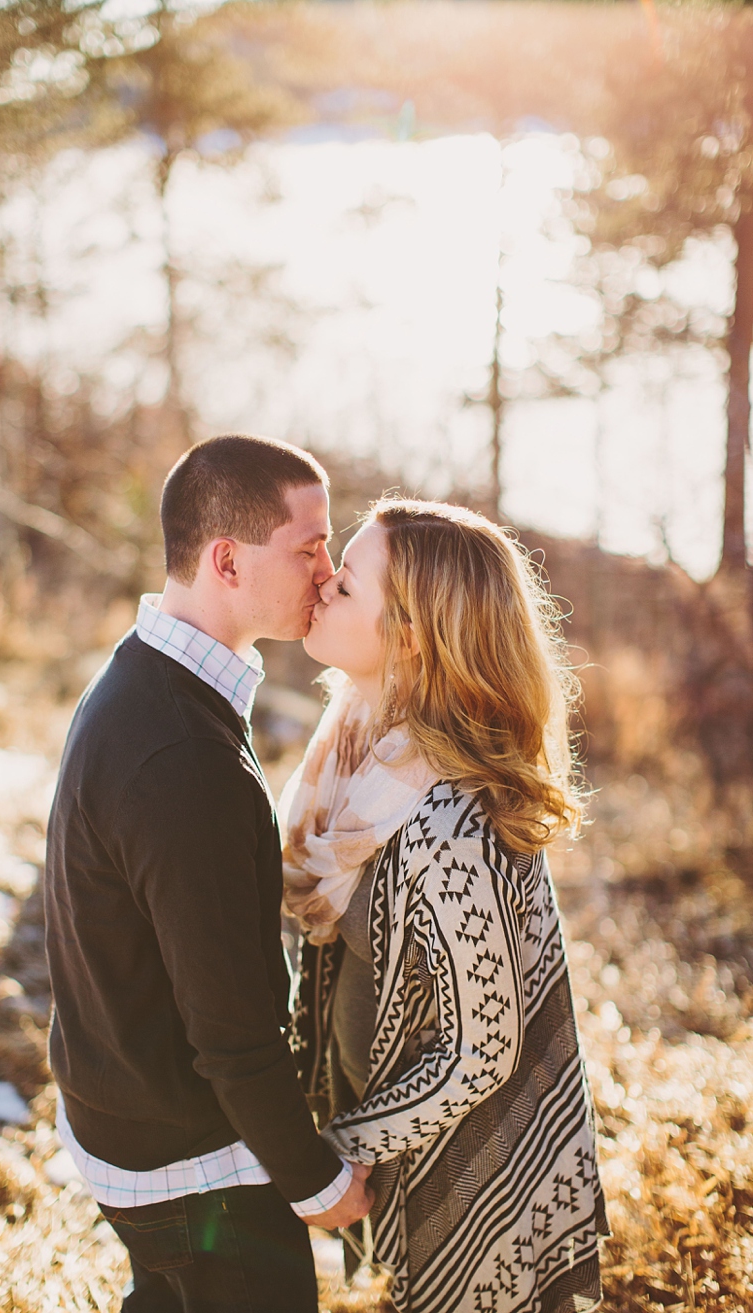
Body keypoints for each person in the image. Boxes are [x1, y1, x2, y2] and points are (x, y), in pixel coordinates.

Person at [44, 433, 372, 1313]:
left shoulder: (145, 678)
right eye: (308, 546)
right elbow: (228, 1026)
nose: (327, 569)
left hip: (126, 1107)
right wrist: (315, 1179)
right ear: (226, 559)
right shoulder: (181, 752)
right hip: (189, 1163)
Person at [283, 498, 609, 1313]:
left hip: (474, 1175)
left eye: (348, 583)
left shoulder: (443, 819)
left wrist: (337, 1153)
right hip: (405, 1147)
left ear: (412, 634)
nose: (322, 582)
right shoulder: (360, 746)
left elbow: (480, 1050)